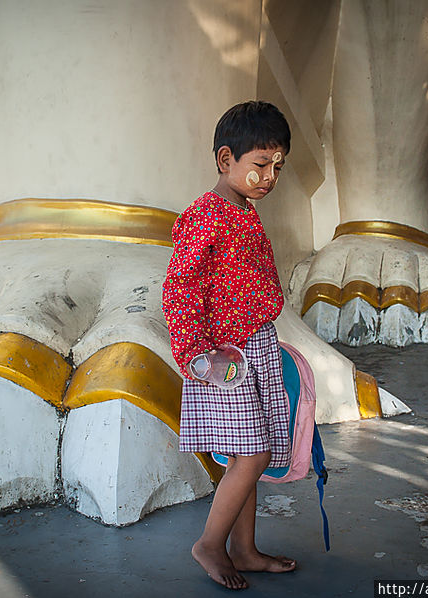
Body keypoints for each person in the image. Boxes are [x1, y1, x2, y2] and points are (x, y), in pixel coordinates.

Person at [162, 100, 297, 590]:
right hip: (223, 357)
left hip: (255, 344)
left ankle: (244, 548)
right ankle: (210, 545)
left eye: (277, 166)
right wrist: (196, 355)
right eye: (260, 164)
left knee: (249, 451)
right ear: (226, 160)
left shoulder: (245, 209)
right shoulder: (206, 214)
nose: (269, 176)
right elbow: (181, 286)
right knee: (253, 453)